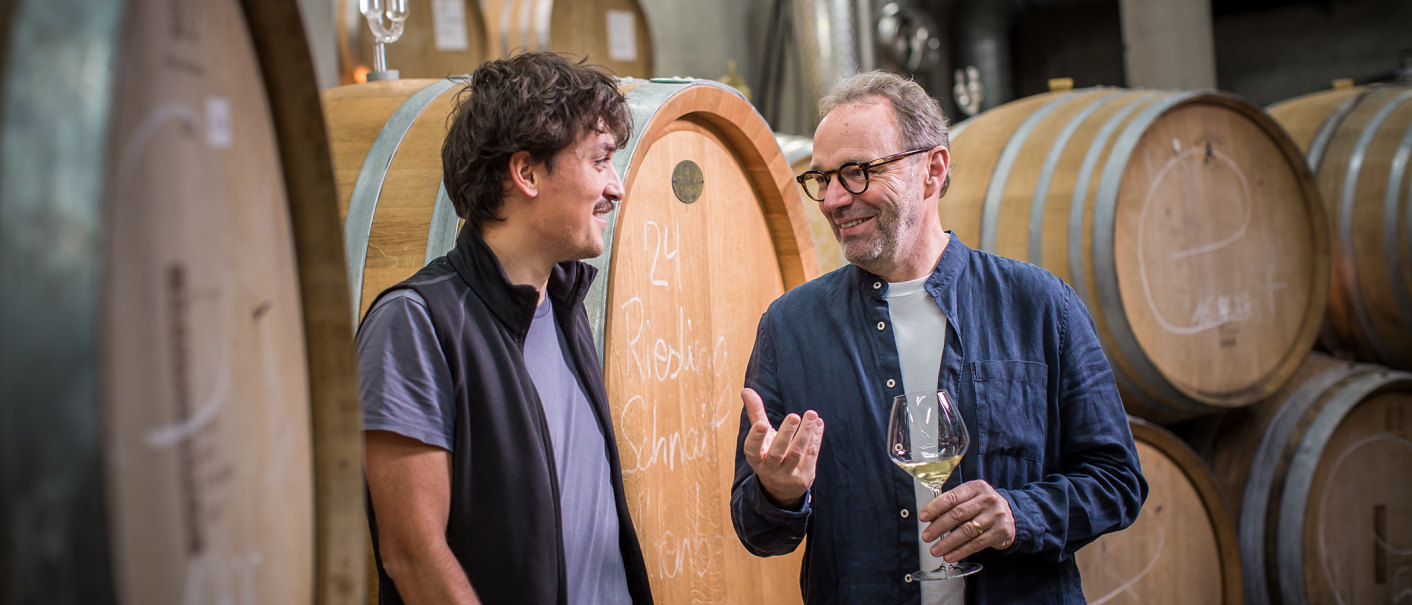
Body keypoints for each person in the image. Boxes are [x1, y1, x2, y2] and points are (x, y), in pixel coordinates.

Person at [730, 71, 1147, 604]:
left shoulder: (1040, 305)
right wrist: (778, 493)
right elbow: (757, 532)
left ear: (932, 170)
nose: (833, 199)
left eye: (857, 172)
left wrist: (1019, 514)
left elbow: (1117, 481)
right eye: (822, 178)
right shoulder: (791, 326)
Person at [357, 52, 653, 605]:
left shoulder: (564, 304)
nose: (617, 188)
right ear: (527, 173)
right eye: (600, 161)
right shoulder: (416, 324)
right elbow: (413, 554)